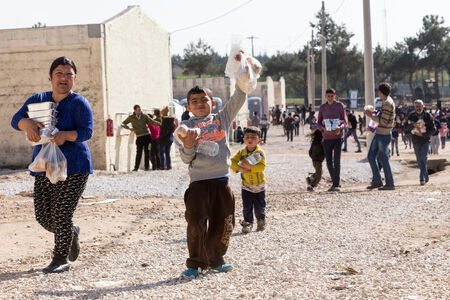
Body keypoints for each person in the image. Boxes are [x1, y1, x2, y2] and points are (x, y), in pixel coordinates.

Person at [11, 56, 93, 273]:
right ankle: (71, 232)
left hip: (74, 166)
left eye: (68, 74)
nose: (63, 78)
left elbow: (87, 131)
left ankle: (60, 259)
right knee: (43, 217)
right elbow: (15, 120)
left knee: (62, 214)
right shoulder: (37, 99)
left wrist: (66, 135)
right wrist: (27, 123)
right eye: (59, 73)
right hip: (44, 165)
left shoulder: (79, 103)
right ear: (50, 77)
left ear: (74, 78)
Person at [177, 83, 247, 278]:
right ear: (188, 107)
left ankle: (216, 260)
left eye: (204, 100)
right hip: (198, 184)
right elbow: (185, 158)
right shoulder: (185, 127)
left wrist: (242, 77)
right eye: (194, 101)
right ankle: (196, 264)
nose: (200, 104)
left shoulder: (221, 119)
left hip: (221, 182)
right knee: (195, 222)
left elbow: (238, 98)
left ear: (213, 103)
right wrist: (189, 145)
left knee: (224, 223)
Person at [230, 126, 266, 234]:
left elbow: (262, 167)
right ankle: (248, 223)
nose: (250, 139)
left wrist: (250, 168)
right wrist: (239, 169)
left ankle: (261, 221)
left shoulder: (260, 153)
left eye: (253, 137)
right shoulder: (241, 153)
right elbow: (232, 162)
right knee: (247, 207)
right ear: (244, 139)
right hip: (246, 186)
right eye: (247, 137)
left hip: (259, 186)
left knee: (260, 207)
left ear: (259, 140)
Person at [365, 82, 395, 190]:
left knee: (382, 158)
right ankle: (378, 180)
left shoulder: (387, 103)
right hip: (381, 133)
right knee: (373, 156)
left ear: (381, 92)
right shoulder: (387, 102)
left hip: (383, 134)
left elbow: (384, 121)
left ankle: (389, 183)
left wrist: (370, 115)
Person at [317, 88, 347, 192]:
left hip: (338, 138)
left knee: (337, 161)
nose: (330, 98)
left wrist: (340, 127)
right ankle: (335, 181)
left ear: (335, 96)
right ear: (326, 96)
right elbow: (318, 123)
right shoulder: (322, 107)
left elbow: (345, 122)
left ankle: (336, 184)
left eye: (332, 96)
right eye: (328, 96)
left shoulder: (340, 106)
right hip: (327, 138)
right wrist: (323, 129)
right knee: (329, 162)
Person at [122, 105, 160, 171]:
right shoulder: (131, 118)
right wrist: (129, 128)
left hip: (148, 137)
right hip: (139, 138)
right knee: (139, 152)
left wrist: (159, 123)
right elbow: (123, 123)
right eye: (138, 109)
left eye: (140, 109)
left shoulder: (145, 116)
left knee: (147, 152)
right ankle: (136, 168)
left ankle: (147, 167)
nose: (140, 111)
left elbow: (152, 121)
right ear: (135, 110)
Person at [406, 100, 435, 185]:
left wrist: (423, 134)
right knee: (419, 160)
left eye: (420, 106)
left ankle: (421, 178)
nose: (418, 108)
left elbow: (433, 129)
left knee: (424, 157)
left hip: (425, 140)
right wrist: (413, 126)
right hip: (415, 141)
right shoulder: (411, 116)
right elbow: (405, 128)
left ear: (423, 106)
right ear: (414, 107)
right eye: (416, 107)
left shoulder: (428, 116)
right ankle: (425, 175)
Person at [158, 106, 175, 170]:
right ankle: (169, 165)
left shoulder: (164, 120)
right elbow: (173, 128)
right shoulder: (171, 120)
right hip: (169, 139)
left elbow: (163, 131)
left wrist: (160, 138)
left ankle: (162, 166)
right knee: (167, 153)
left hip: (163, 139)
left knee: (162, 153)